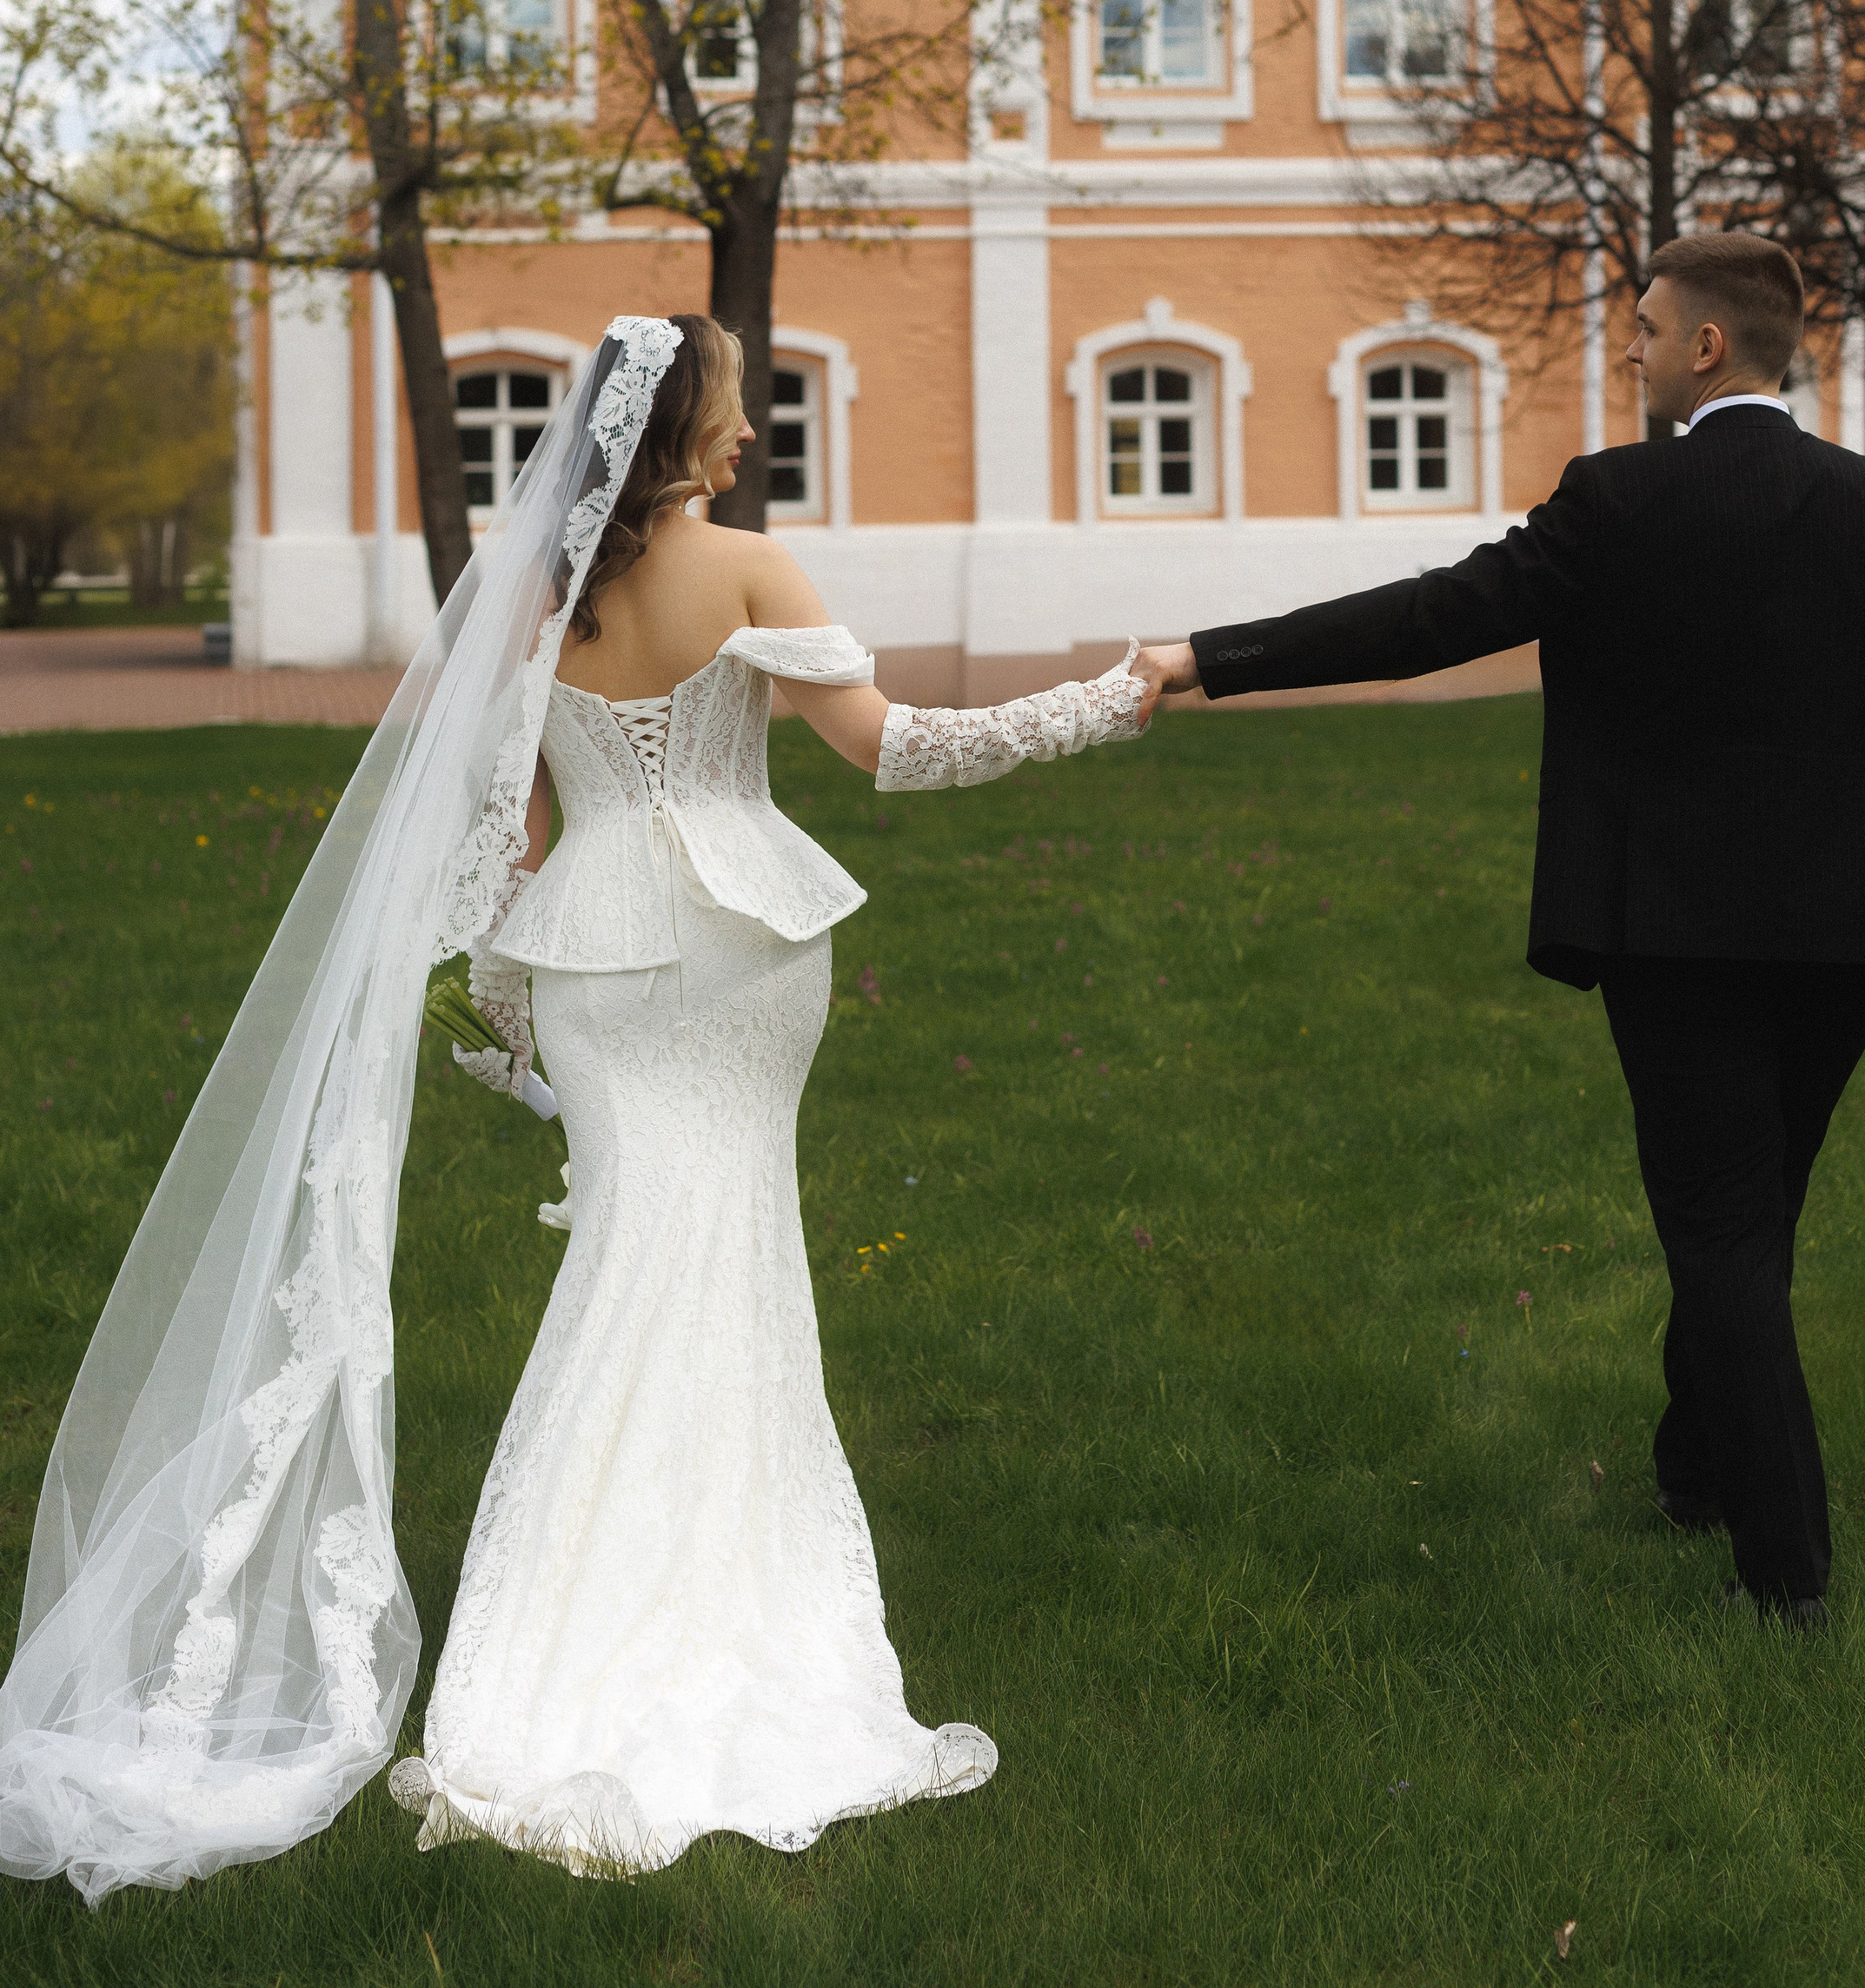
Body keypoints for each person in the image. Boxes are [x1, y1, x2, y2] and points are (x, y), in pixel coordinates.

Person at [0, 314, 1147, 1898]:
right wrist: (1111, 699)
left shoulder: (540, 600)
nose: (749, 436)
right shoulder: (746, 567)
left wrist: (513, 1006)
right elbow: (899, 751)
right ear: (678, 427)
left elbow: (503, 832)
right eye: (735, 411)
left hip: (600, 969)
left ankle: (558, 1630)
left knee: (630, 1264)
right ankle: (710, 1596)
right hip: (745, 961)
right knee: (725, 1262)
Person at [1133, 233, 1865, 1631]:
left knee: (1729, 1234)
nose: (1632, 347)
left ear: (1707, 349)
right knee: (1752, 1216)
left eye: (1645, 326)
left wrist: (1209, 658)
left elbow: (1436, 617)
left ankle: (1786, 1575)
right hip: (1847, 938)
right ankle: (1693, 1467)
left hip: (1671, 931)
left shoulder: (1618, 498)